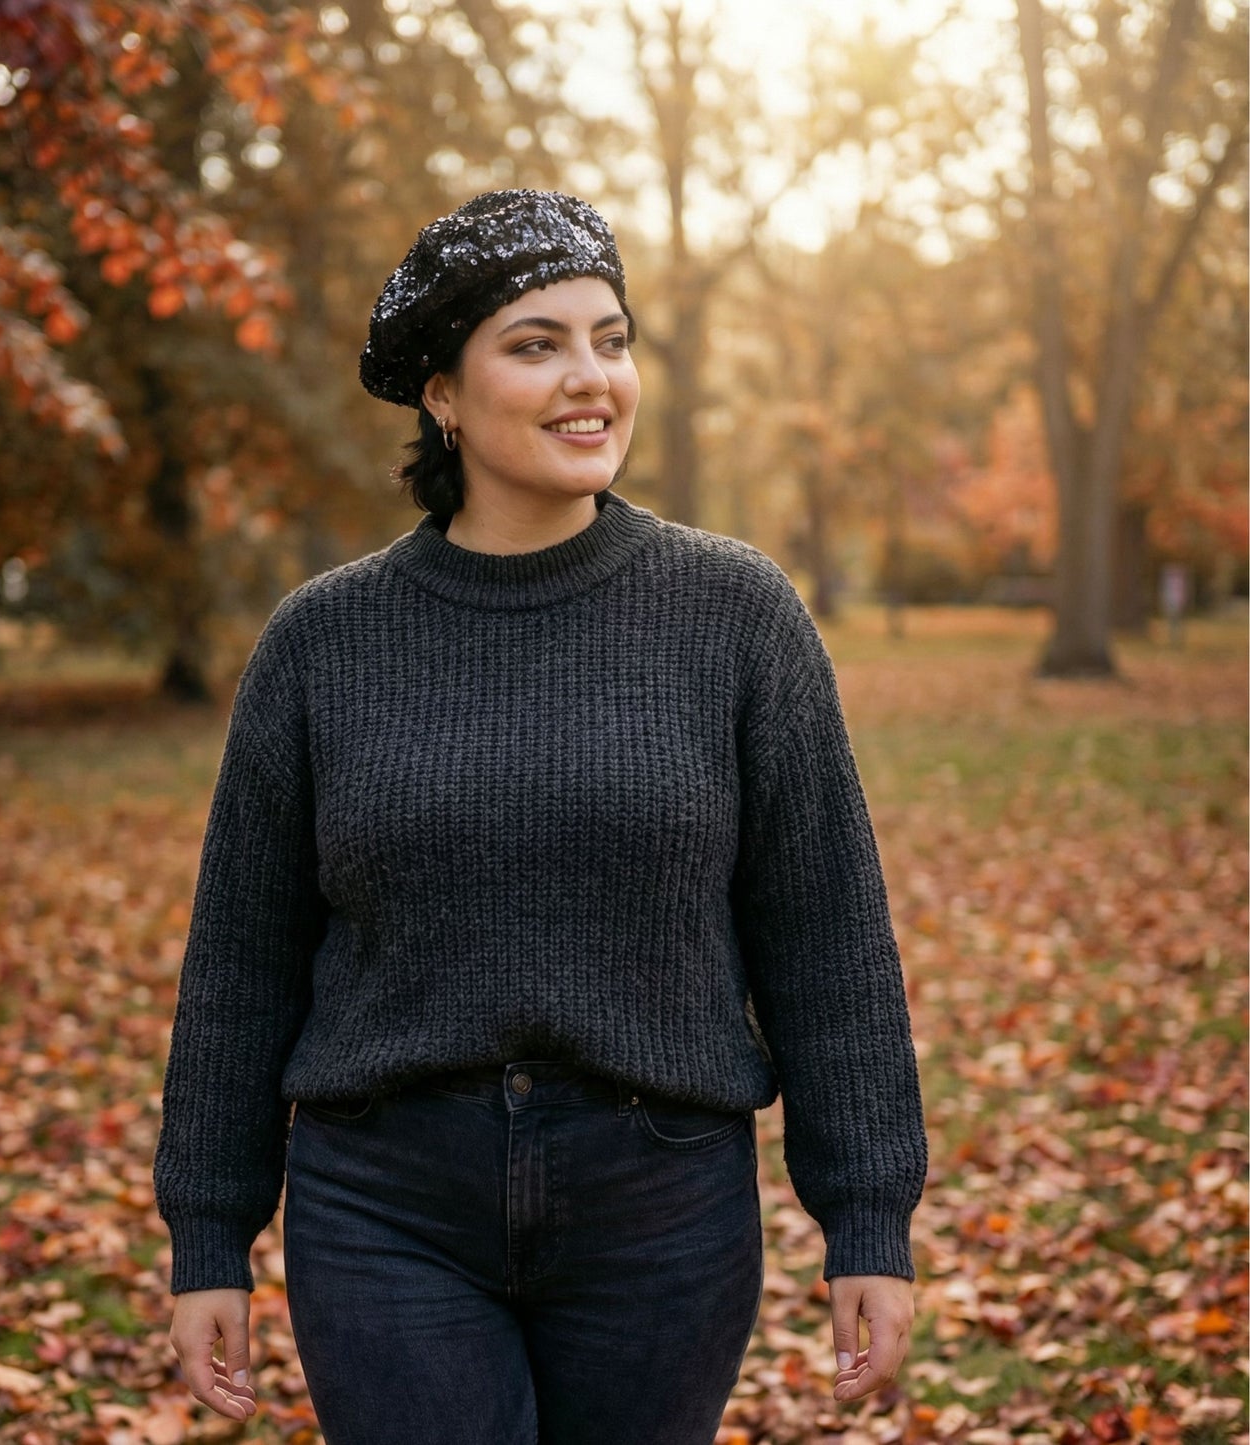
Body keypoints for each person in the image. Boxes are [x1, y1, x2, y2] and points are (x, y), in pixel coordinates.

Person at [153, 189, 927, 1444]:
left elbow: (825, 934)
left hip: (660, 1213)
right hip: (387, 1207)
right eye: (535, 343)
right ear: (441, 395)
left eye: (609, 340)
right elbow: (241, 957)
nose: (589, 378)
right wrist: (208, 1233)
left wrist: (867, 1217)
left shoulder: (735, 616)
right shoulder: (322, 641)